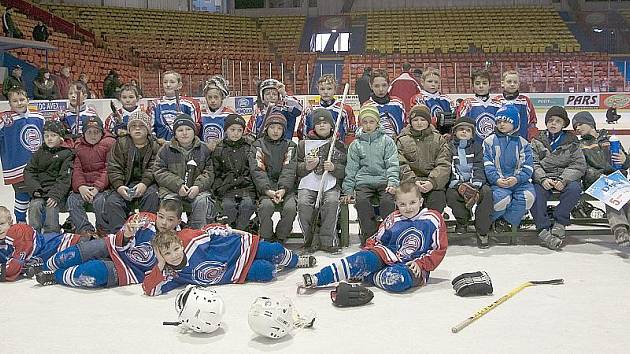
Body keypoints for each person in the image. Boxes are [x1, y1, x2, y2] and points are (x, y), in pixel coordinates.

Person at [301, 181, 447, 293]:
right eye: (402, 204)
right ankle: (317, 278)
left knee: (397, 280)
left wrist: (421, 264)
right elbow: (376, 239)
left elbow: (439, 249)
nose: (408, 208)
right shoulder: (393, 218)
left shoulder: (432, 219)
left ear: (420, 202)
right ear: (396, 204)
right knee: (359, 260)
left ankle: (367, 276)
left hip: (412, 265)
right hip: (387, 255)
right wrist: (366, 256)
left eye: (412, 203)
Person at [32, 200, 184, 288]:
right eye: (161, 217)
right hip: (113, 246)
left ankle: (54, 276)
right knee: (74, 253)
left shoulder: (178, 240)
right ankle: (43, 266)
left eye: (170, 219)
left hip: (130, 269)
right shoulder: (142, 219)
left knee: (92, 272)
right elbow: (118, 241)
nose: (164, 223)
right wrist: (126, 235)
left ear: (178, 221)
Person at [142, 225, 317, 296]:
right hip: (234, 271)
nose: (174, 255)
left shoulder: (191, 240)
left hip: (237, 248)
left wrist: (233, 231)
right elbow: (150, 290)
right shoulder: (171, 273)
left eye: (175, 249)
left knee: (275, 250)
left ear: (180, 244)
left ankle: (295, 261)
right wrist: (159, 264)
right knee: (267, 271)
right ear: (162, 256)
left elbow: (210, 229)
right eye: (167, 254)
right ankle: (277, 263)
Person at [530, 106, 586, 250]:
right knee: (535, 193)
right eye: (550, 120)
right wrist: (542, 179)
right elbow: (533, 163)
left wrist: (564, 180)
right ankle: (542, 228)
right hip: (545, 178)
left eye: (558, 121)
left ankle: (560, 221)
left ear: (563, 124)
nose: (553, 124)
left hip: (565, 177)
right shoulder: (537, 140)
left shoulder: (572, 142)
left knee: (574, 189)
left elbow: (578, 165)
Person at [342, 106, 399, 246]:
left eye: (371, 122)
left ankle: (388, 235)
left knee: (387, 202)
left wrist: (392, 183)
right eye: (365, 122)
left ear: (377, 123)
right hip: (363, 182)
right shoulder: (356, 144)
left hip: (383, 180)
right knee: (361, 202)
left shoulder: (387, 141)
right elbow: (351, 168)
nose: (368, 125)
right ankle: (370, 236)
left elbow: (392, 164)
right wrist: (348, 190)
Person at [572, 111, 630, 247]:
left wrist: (625, 159)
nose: (578, 129)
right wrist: (599, 175)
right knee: (611, 192)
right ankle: (620, 229)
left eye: (580, 124)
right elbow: (582, 169)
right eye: (575, 127)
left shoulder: (611, 140)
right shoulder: (580, 146)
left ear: (591, 123)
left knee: (624, 193)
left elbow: (625, 164)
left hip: (617, 179)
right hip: (595, 182)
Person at [297, 108, 347, 253]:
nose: (322, 126)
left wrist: (334, 168)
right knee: (303, 203)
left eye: (325, 122)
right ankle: (310, 239)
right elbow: (296, 169)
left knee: (331, 202)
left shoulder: (338, 145)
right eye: (318, 123)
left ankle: (327, 240)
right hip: (308, 184)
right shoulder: (303, 144)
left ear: (332, 125)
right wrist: (305, 166)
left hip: (330, 184)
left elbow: (345, 170)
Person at [154, 113, 214, 229]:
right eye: (180, 130)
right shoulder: (165, 149)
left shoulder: (204, 149)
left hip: (198, 191)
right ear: (175, 134)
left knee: (202, 201)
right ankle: (168, 234)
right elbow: (159, 171)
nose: (185, 133)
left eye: (188, 129)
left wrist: (198, 186)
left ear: (194, 131)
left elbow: (209, 172)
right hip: (171, 191)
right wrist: (178, 185)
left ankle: (196, 234)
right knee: (168, 205)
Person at [104, 111, 160, 233]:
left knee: (152, 196)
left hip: (148, 184)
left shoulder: (155, 146)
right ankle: (120, 235)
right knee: (113, 202)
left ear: (148, 129)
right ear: (129, 129)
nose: (137, 128)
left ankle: (146, 232)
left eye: (141, 125)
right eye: (134, 126)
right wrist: (119, 186)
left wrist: (144, 184)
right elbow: (114, 167)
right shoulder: (121, 143)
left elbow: (154, 168)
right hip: (124, 184)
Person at [483, 104, 536, 233]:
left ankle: (505, 222)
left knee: (529, 197)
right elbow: (487, 164)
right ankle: (492, 221)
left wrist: (517, 179)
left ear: (515, 123)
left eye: (506, 121)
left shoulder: (523, 143)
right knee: (501, 199)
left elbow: (528, 167)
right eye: (499, 121)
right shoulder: (489, 141)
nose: (501, 124)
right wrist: (496, 180)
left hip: (519, 183)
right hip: (498, 183)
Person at [249, 112, 298, 243]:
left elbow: (289, 169)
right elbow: (258, 170)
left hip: (286, 189)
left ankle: (281, 236)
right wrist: (267, 190)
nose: (275, 131)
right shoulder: (258, 145)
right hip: (266, 189)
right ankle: (267, 237)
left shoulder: (290, 145)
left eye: (279, 128)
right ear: (266, 128)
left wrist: (283, 189)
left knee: (290, 208)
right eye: (272, 127)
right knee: (265, 207)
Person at [445, 116, 493, 248]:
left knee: (487, 193)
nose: (464, 132)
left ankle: (482, 230)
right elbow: (449, 167)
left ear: (472, 133)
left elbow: (479, 166)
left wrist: (474, 184)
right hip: (456, 183)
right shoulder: (449, 147)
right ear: (454, 132)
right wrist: (459, 184)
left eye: (468, 130)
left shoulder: (477, 147)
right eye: (461, 129)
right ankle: (463, 221)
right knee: (451, 195)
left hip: (476, 182)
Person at [0, 87, 46, 223]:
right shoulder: (5, 119)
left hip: (37, 167)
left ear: (28, 100)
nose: (19, 103)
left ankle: (42, 224)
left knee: (39, 196)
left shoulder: (38, 116)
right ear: (9, 103)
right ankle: (21, 222)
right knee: (22, 196)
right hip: (17, 167)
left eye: (22, 99)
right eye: (14, 101)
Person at [0, 207, 83, 282]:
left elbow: (14, 265)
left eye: (2, 224)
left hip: (66, 244)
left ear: (10, 222)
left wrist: (4, 270)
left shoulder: (17, 231)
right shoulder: (3, 240)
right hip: (56, 256)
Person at [66, 116, 116, 237]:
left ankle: (103, 228)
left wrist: (97, 187)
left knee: (100, 201)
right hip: (84, 187)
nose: (93, 136)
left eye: (96, 132)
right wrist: (80, 187)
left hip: (102, 188)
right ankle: (85, 229)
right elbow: (77, 169)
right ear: (83, 133)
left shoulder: (109, 145)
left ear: (102, 132)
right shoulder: (79, 147)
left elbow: (108, 168)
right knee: (72, 200)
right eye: (89, 132)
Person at [397, 104, 451, 213]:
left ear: (428, 121)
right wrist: (413, 181)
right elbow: (400, 164)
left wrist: (432, 182)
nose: (419, 123)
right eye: (415, 120)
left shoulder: (439, 140)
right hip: (410, 183)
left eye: (422, 119)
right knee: (409, 201)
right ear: (410, 121)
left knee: (437, 199)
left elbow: (444, 164)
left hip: (433, 183)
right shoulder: (402, 140)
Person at [23, 120, 74, 233]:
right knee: (35, 205)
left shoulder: (67, 154)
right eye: (46, 136)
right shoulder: (40, 152)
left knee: (51, 207)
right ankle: (34, 234)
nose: (49, 138)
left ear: (60, 137)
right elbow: (29, 171)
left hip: (58, 194)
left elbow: (65, 178)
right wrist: (35, 189)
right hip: (41, 191)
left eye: (53, 135)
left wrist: (55, 195)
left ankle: (51, 234)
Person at [211, 114, 256, 230]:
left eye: (239, 130)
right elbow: (217, 171)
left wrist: (249, 183)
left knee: (247, 205)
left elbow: (253, 170)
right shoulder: (219, 149)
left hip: (246, 187)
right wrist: (218, 188)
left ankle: (241, 231)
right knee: (228, 206)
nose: (236, 133)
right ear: (226, 130)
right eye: (232, 130)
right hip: (227, 188)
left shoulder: (248, 147)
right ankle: (230, 230)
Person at [298, 74, 356, 144]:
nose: (325, 92)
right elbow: (302, 134)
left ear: (335, 89)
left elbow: (351, 133)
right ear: (318, 90)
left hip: (338, 149)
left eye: (329, 89)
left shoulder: (344, 110)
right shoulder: (310, 110)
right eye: (322, 89)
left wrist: (346, 148)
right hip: (314, 150)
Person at [147, 70, 201, 144]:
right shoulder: (154, 105)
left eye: (172, 82)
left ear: (180, 85)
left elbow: (196, 127)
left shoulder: (190, 104)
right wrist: (156, 141)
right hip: (161, 147)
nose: (168, 85)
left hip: (184, 147)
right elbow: (150, 128)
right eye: (165, 82)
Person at [456, 69, 501, 144]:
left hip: (495, 146)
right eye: (477, 83)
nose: (481, 86)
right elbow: (459, 126)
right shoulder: (467, 104)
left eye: (484, 83)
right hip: (473, 147)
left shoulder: (498, 104)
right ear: (473, 86)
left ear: (490, 85)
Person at [492, 70, 538, 141]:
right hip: (500, 142)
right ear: (502, 83)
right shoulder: (496, 101)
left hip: (522, 142)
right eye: (509, 81)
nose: (512, 84)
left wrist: (531, 138)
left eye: (515, 82)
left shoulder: (525, 101)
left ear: (518, 84)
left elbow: (532, 122)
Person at [362, 69, 406, 139]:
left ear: (389, 84)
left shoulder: (398, 103)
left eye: (384, 85)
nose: (381, 89)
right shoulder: (367, 106)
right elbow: (362, 131)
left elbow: (405, 127)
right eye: (376, 86)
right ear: (370, 86)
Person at [410, 68, 455, 134]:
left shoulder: (446, 99)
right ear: (422, 82)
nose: (433, 84)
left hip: (445, 134)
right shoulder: (418, 98)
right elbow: (418, 118)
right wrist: (436, 120)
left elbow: (454, 115)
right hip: (425, 134)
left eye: (436, 82)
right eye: (430, 81)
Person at [199, 75, 235, 150]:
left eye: (216, 97)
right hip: (205, 153)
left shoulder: (229, 114)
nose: (212, 100)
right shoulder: (201, 114)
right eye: (210, 97)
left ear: (222, 97)